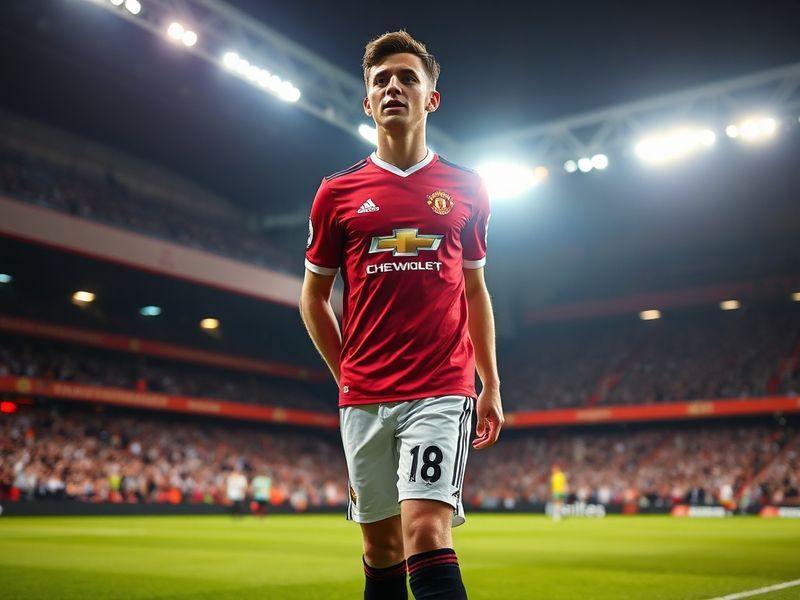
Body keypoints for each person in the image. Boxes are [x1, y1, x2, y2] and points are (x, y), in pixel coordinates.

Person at [300, 30, 503, 600]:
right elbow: (312, 299)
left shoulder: (467, 188)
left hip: (441, 386)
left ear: (430, 98)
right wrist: (347, 374)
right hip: (363, 393)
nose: (393, 86)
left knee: (425, 529)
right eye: (381, 80)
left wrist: (490, 381)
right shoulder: (336, 194)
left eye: (407, 77)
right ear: (367, 103)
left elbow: (476, 290)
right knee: (380, 548)